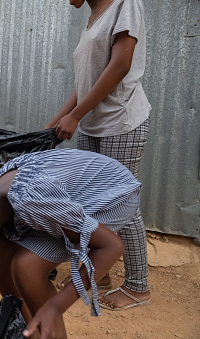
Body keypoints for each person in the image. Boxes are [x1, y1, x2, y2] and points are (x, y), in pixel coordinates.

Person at [0, 149, 145, 339]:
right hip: (66, 196)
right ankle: (32, 329)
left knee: (26, 266)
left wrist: (56, 306)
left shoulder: (33, 202)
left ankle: (48, 327)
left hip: (112, 195)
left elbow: (112, 246)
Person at [44, 0, 151, 310]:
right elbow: (86, 84)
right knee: (91, 203)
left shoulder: (124, 4)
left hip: (120, 122)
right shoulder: (93, 17)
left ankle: (138, 286)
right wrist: (53, 124)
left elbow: (120, 66)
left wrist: (75, 116)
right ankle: (98, 273)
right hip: (93, 125)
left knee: (123, 203)